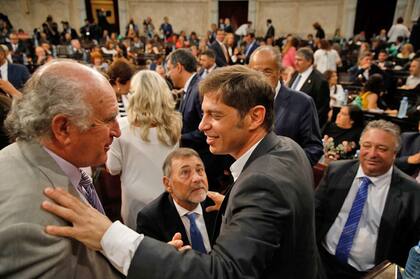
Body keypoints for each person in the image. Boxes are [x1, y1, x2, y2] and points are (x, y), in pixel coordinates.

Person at [42, 65, 321, 279]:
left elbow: (222, 272)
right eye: (203, 114)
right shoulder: (288, 148)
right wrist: (239, 207)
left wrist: (110, 236)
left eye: (215, 115)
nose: (201, 126)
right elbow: (285, 216)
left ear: (255, 117)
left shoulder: (262, 183)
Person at [0, 60, 122, 278]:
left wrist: (140, 259)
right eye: (109, 120)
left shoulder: (15, 156)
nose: (118, 131)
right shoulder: (39, 229)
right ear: (63, 128)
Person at [316, 120, 420, 278]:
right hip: (322, 263)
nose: (372, 154)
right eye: (367, 145)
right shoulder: (337, 171)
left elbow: (408, 245)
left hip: (370, 273)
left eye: (382, 148)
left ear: (395, 153)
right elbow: (313, 215)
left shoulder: (411, 192)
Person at [106, 70, 182, 229]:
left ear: (135, 96)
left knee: (139, 248)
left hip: (136, 202)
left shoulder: (122, 126)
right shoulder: (174, 125)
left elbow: (113, 168)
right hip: (168, 197)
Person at [249, 45, 323, 166]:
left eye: (267, 71)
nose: (260, 77)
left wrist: (286, 169)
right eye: (255, 71)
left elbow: (314, 148)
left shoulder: (303, 103)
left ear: (279, 72)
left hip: (282, 179)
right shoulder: (240, 100)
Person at [136, 148, 217, 253]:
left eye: (199, 170)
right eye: (185, 172)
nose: (197, 178)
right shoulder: (150, 218)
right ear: (167, 184)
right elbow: (151, 265)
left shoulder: (219, 204)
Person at [288, 47, 330, 127]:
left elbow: (322, 110)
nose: (296, 63)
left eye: (299, 60)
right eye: (295, 59)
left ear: (309, 61)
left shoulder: (320, 81)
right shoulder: (295, 75)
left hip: (306, 126)